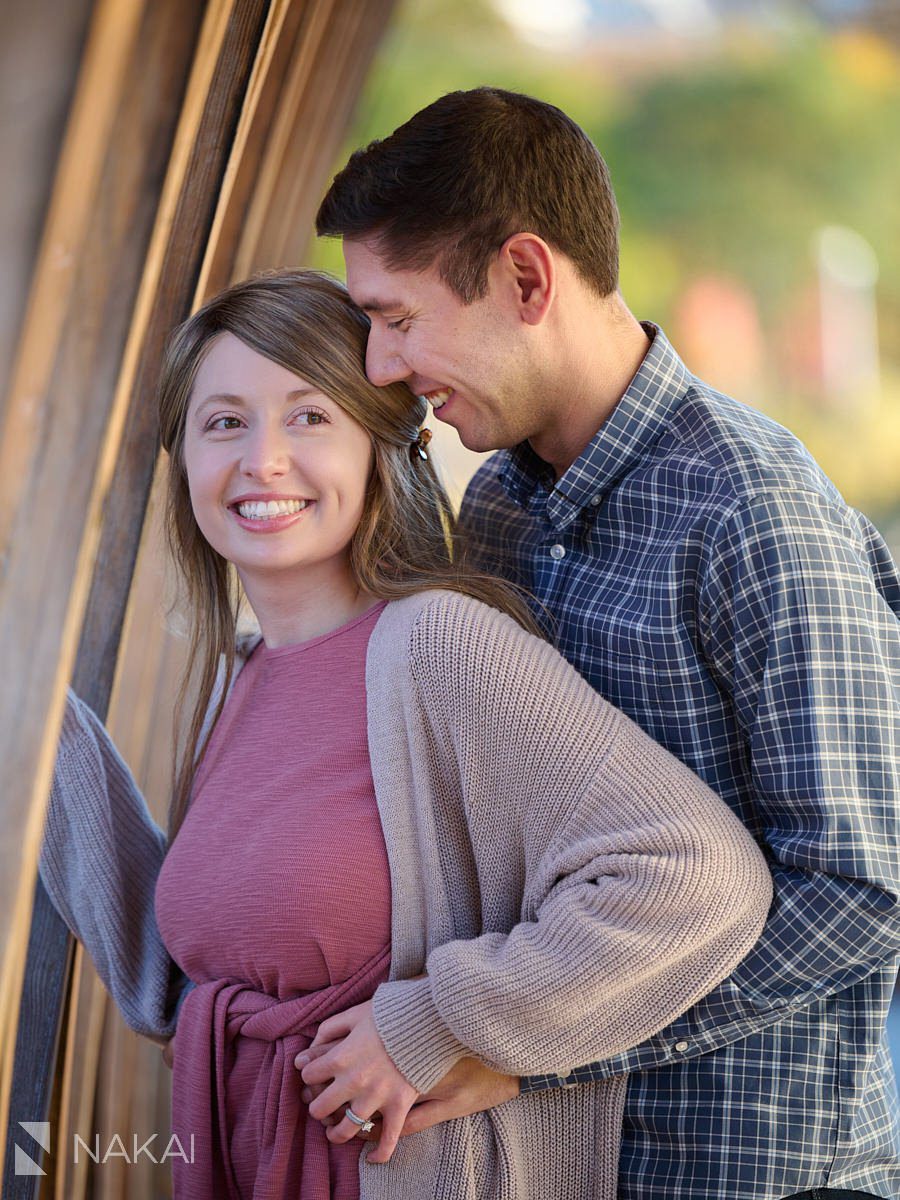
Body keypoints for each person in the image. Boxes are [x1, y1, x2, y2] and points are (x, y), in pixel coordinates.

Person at [41, 269, 771, 1199]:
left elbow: (697, 875)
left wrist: (442, 1022)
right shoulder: (239, 677)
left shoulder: (439, 646)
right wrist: (35, 716)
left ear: (381, 446)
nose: (262, 459)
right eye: (224, 423)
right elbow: (172, 981)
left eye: (309, 417)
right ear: (181, 460)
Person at [314, 86, 900, 1200]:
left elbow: (869, 881)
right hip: (555, 1170)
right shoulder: (493, 509)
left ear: (527, 279)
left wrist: (536, 1042)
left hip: (766, 1178)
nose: (383, 365)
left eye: (398, 318)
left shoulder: (751, 512)